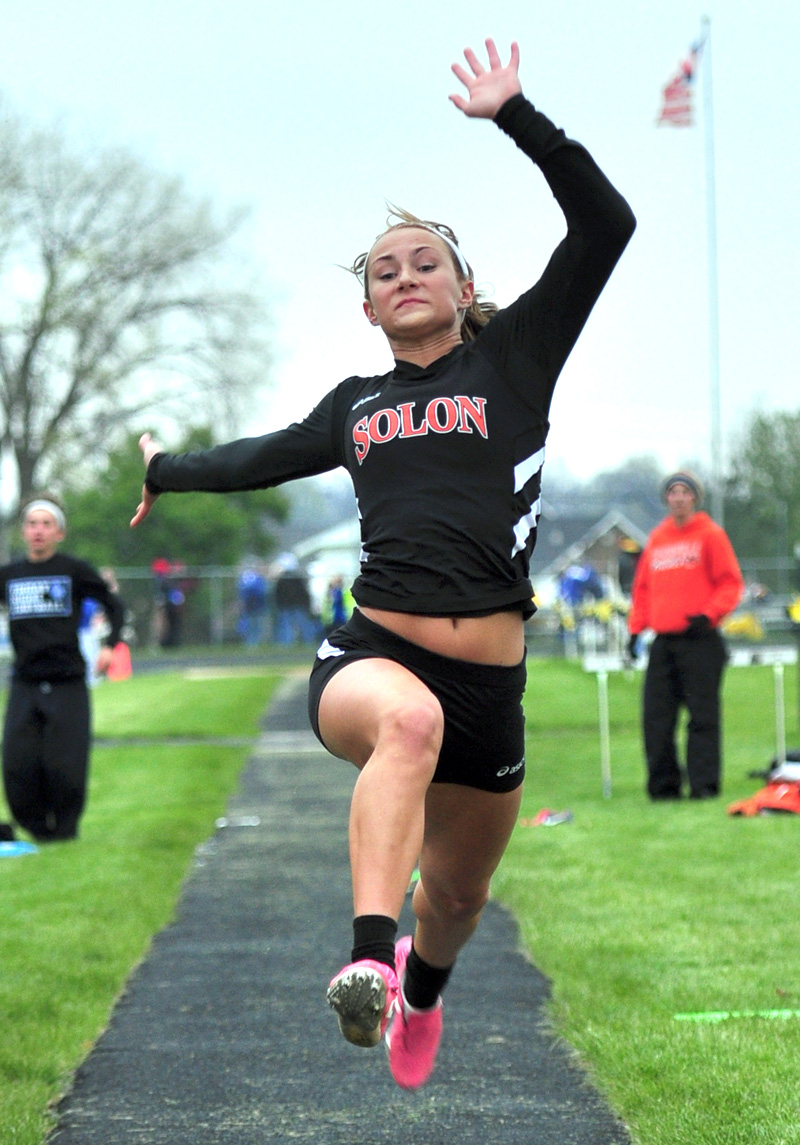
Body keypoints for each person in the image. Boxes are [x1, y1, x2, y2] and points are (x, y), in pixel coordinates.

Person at [130, 39, 635, 1088]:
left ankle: (417, 989)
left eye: (422, 262)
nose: (402, 274)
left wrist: (515, 116)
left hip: (491, 683)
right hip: (371, 653)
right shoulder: (354, 405)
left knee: (454, 902)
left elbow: (605, 225)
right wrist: (164, 470)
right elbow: (255, 459)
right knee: (406, 723)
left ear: (461, 287)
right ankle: (364, 960)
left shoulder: (514, 359)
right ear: (366, 309)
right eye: (382, 271)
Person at [0, 496, 126, 841]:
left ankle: (65, 831)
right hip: (25, 682)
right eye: (32, 523)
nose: (38, 531)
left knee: (65, 764)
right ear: (23, 531)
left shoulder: (73, 570)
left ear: (60, 533)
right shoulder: (10, 575)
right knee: (18, 763)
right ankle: (36, 829)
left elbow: (113, 605)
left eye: (46, 524)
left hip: (67, 681)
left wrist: (109, 645)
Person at [627, 471, 743, 800]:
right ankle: (664, 788)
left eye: (685, 492)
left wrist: (708, 615)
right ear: (666, 499)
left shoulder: (710, 535)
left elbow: (730, 583)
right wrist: (635, 630)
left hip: (701, 639)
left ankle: (704, 787)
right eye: (673, 492)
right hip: (664, 643)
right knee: (656, 718)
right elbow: (643, 590)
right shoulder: (658, 539)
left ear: (695, 498)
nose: (678, 498)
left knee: (702, 718)